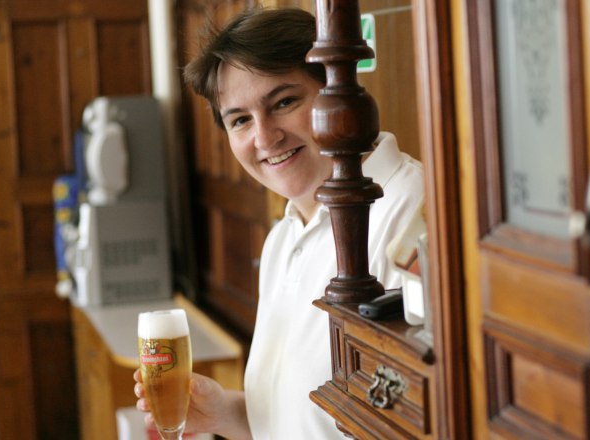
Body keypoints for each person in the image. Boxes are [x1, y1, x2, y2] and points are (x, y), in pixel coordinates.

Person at [134, 6, 424, 439]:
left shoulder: (410, 208)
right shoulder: (282, 239)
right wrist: (226, 415)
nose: (265, 138)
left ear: (338, 90)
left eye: (285, 102)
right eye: (240, 121)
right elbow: (303, 420)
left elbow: (417, 414)